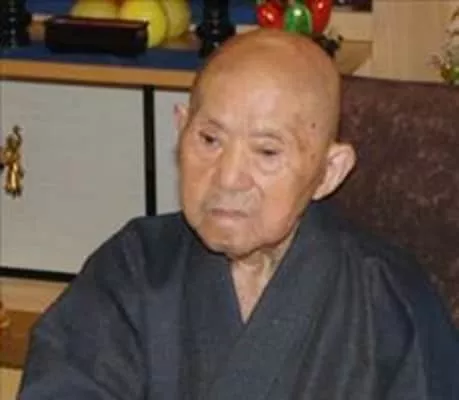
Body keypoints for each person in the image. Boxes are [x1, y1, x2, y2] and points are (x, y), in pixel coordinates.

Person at [18, 29, 459, 400]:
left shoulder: (387, 300)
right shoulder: (133, 270)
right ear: (181, 129)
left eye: (267, 151)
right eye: (209, 140)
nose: (228, 178)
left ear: (329, 171)